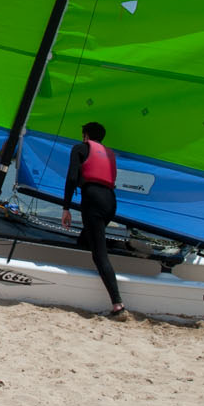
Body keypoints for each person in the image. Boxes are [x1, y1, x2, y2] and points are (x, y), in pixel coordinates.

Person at [60, 121, 127, 319]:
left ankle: (118, 305)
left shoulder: (80, 148)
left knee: (98, 254)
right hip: (110, 203)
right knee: (85, 240)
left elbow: (72, 178)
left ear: (86, 136)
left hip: (93, 201)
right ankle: (117, 244)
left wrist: (66, 208)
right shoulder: (109, 153)